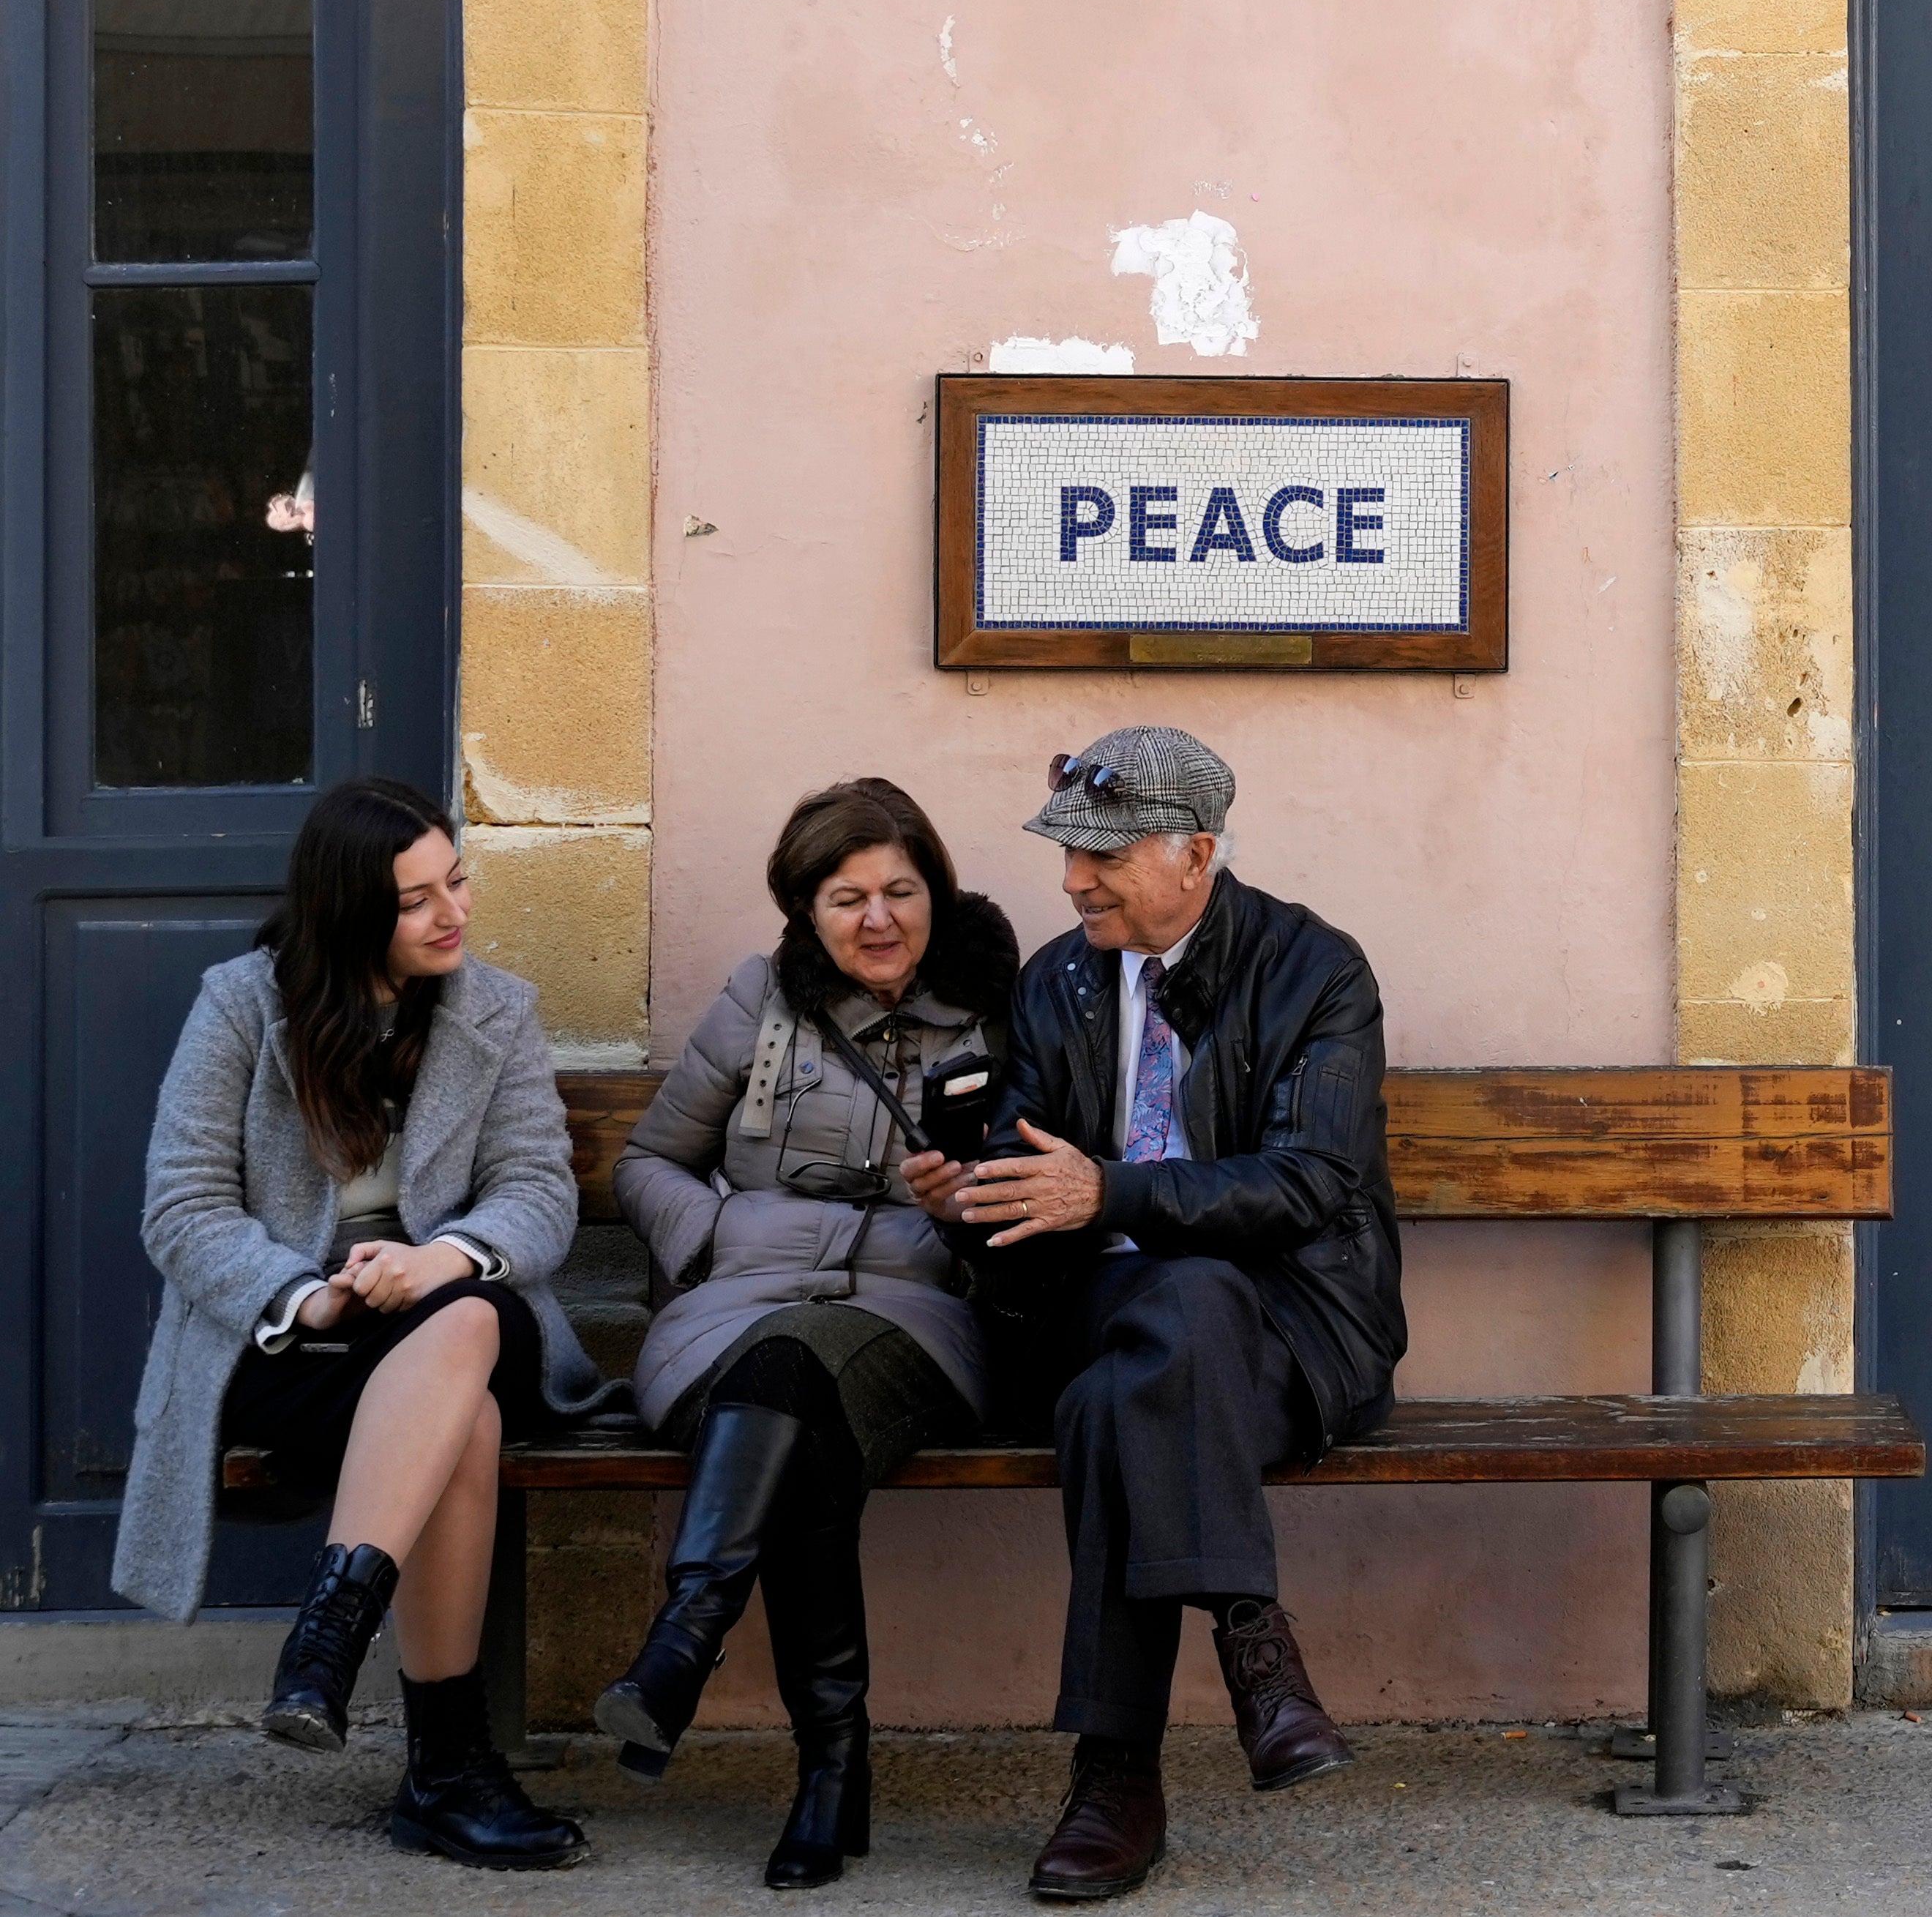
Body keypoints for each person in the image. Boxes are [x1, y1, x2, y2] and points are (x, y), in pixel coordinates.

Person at [901, 725, 1403, 1904]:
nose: (1075, 881)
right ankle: (1256, 1645)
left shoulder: (1317, 970)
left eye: (1107, 856)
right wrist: (965, 1201)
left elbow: (1309, 1185)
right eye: (1069, 854)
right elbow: (1024, 1211)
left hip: (1288, 1330)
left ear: (1197, 854)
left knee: (1136, 1373)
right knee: (1160, 1322)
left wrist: (1111, 1192)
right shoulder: (1058, 979)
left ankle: (1114, 1777)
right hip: (1089, 1307)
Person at [114, 777, 602, 1871]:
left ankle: (329, 1637)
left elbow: (537, 1192)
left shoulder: (496, 1011)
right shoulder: (243, 1007)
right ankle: (446, 1768)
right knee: (463, 1423)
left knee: (468, 1325)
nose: (451, 914)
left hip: (460, 1308)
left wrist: (438, 1260)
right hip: (300, 1341)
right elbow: (182, 1206)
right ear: (346, 912)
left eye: (456, 881)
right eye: (415, 899)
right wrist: (305, 1291)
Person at [598, 778, 1022, 1888]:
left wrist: (960, 1211)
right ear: (804, 909)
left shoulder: (1004, 1016)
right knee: (796, 1411)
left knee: (795, 1377)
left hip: (916, 1319)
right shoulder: (756, 1002)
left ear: (936, 892)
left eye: (899, 891)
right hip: (738, 1312)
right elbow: (646, 1162)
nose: (877, 920)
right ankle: (831, 1775)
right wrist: (722, 1238)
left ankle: (690, 1634)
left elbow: (1051, 1197)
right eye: (846, 898)